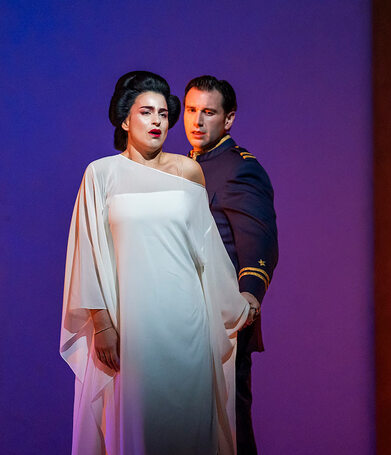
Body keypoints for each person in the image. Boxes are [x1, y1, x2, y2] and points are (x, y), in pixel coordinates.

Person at [60, 71, 259, 455]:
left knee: (190, 431)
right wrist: (102, 325)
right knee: (138, 430)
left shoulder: (189, 171)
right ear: (124, 119)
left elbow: (208, 251)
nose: (157, 121)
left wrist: (240, 303)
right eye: (146, 112)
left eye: (164, 114)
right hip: (133, 329)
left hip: (189, 326)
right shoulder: (101, 174)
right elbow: (88, 251)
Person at [184, 75, 278, 455]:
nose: (197, 121)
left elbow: (258, 239)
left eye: (209, 112)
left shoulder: (239, 168)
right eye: (192, 110)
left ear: (229, 119)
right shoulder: (180, 167)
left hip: (225, 319)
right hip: (187, 317)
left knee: (231, 429)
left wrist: (248, 298)